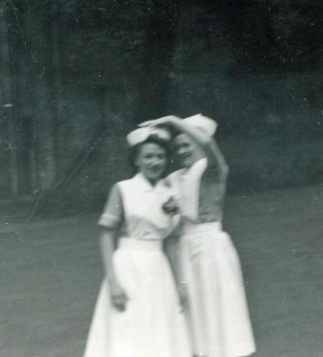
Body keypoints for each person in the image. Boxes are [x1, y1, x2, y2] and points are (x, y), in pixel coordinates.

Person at [141, 114, 256, 357]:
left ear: (197, 142)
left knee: (218, 303)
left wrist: (173, 121)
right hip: (185, 246)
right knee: (193, 307)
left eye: (187, 144)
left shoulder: (213, 168)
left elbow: (209, 145)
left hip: (211, 245)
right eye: (178, 146)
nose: (182, 151)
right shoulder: (172, 179)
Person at [83, 126, 191, 357]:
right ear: (137, 160)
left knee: (159, 327)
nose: (155, 162)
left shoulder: (169, 192)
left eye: (160, 156)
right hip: (128, 266)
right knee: (128, 329)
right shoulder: (123, 189)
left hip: (158, 269)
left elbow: (171, 240)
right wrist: (113, 282)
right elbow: (106, 235)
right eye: (148, 156)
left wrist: (179, 282)